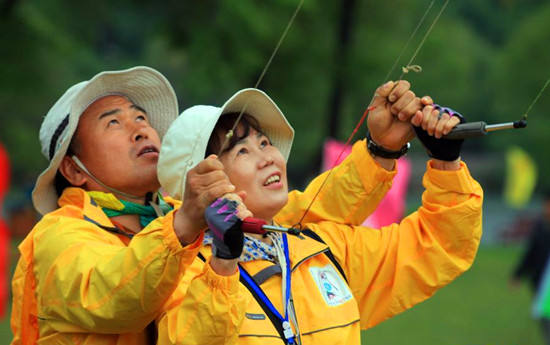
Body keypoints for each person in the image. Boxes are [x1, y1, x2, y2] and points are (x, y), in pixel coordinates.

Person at [9, 67, 422, 344]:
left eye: (140, 117)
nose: (139, 129)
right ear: (73, 169)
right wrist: (186, 224)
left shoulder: (172, 217)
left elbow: (304, 212)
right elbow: (114, 298)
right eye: (114, 123)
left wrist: (381, 150)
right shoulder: (60, 233)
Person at [155, 84, 484, 344]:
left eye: (265, 142)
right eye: (242, 150)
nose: (269, 157)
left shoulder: (320, 247)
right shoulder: (180, 270)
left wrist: (445, 162)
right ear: (201, 183)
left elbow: (438, 247)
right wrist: (225, 260)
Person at [511, 191, 550, 343]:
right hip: (541, 286)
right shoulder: (541, 227)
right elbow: (531, 253)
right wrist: (518, 274)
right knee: (545, 322)